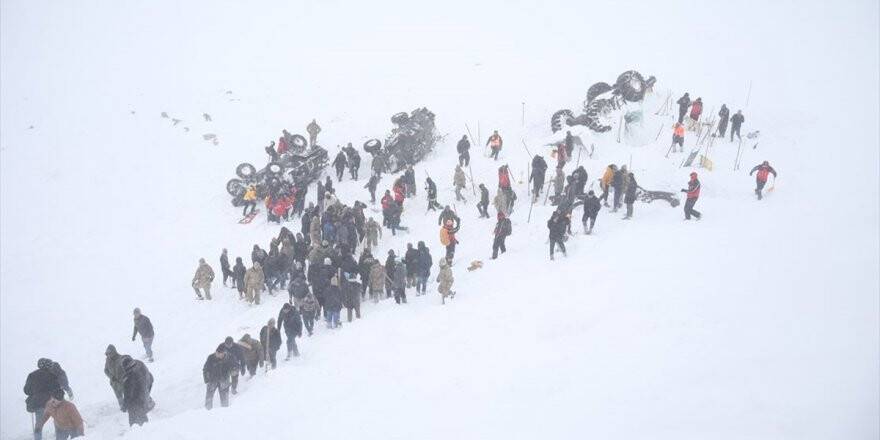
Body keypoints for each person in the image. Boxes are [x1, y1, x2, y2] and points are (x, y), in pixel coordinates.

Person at [24, 359, 62, 439]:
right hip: (51, 403)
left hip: (37, 404)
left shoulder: (32, 375)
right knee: (58, 421)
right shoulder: (52, 376)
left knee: (39, 425)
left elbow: (26, 390)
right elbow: (58, 391)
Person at [120, 355, 154, 426]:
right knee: (144, 422)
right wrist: (146, 391)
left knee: (135, 425)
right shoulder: (140, 365)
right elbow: (151, 378)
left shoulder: (128, 376)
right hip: (144, 397)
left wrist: (124, 406)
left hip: (134, 404)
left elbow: (128, 394)